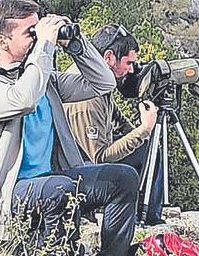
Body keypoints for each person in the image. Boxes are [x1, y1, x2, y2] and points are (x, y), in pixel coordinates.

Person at [0, 0, 139, 256]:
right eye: (29, 32)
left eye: (38, 29)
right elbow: (24, 98)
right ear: (2, 42)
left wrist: (76, 44)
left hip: (52, 180)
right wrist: (44, 46)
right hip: (10, 192)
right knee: (59, 189)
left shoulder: (47, 82)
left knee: (123, 178)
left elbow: (103, 82)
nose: (37, 37)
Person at [63, 24, 164, 224]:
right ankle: (147, 220)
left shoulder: (97, 76)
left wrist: (139, 134)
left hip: (87, 154)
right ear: (109, 57)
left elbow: (116, 116)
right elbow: (99, 157)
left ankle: (144, 215)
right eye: (128, 63)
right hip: (78, 169)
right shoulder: (87, 97)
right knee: (141, 155)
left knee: (147, 149)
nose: (131, 70)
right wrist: (144, 130)